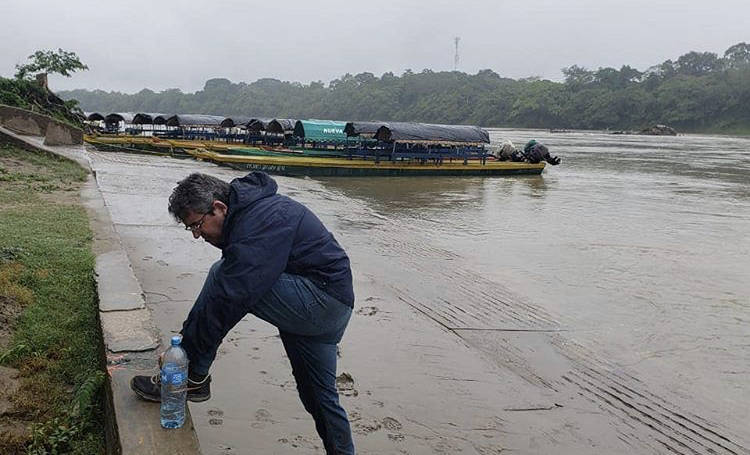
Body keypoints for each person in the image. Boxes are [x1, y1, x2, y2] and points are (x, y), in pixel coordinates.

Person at [130, 171, 356, 454]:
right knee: (318, 397)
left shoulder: (263, 219)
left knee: (223, 277)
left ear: (220, 208)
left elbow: (230, 297)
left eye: (198, 224)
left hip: (321, 302)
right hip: (324, 310)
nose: (198, 235)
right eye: (191, 229)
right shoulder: (251, 218)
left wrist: (185, 354)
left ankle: (193, 377)